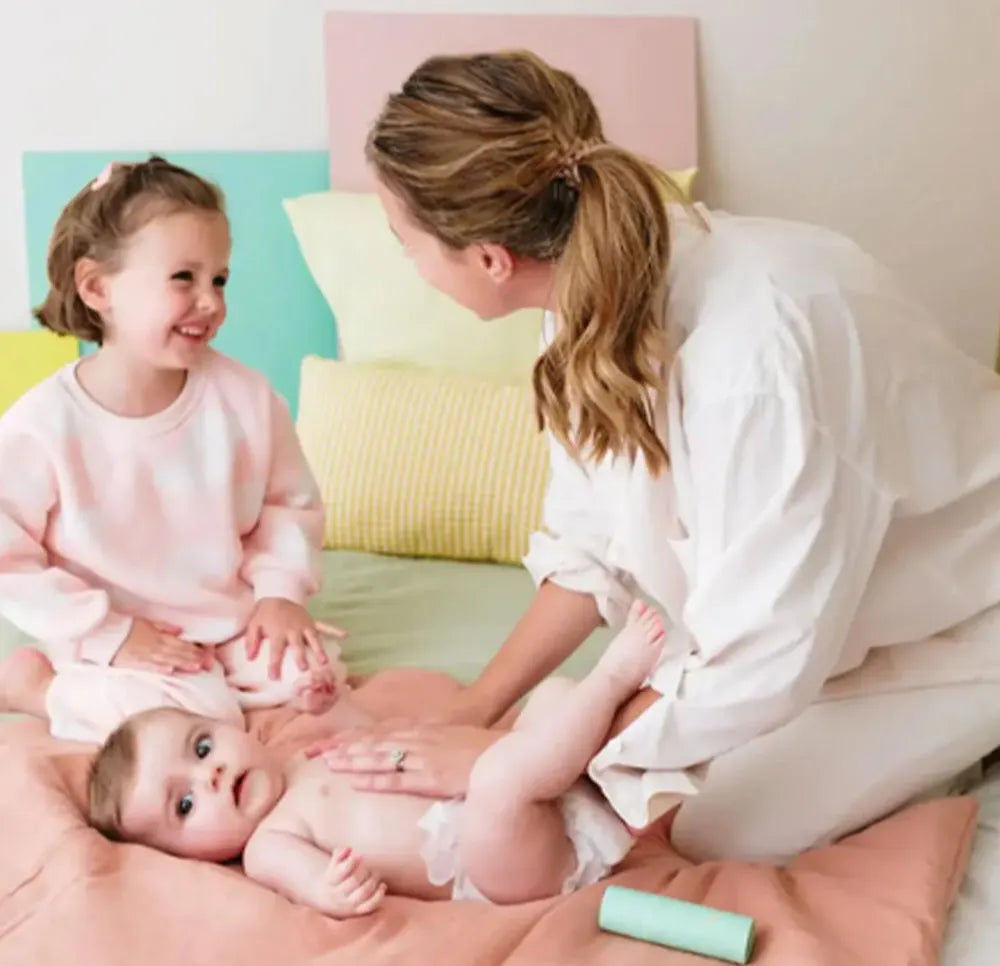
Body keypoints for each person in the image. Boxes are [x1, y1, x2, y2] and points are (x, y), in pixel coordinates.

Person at [310, 50, 1000, 864]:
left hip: (960, 617)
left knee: (702, 830)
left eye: (406, 242)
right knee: (628, 781)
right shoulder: (582, 299)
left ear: (492, 258)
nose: (408, 262)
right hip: (810, 605)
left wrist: (515, 765)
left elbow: (763, 655)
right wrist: (479, 708)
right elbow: (590, 545)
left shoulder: (753, 365)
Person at [0, 157, 345, 743]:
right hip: (109, 641)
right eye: (184, 277)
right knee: (186, 716)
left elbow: (288, 506)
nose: (210, 301)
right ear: (97, 287)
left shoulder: (246, 398)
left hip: (224, 624)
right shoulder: (43, 426)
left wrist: (280, 595)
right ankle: (35, 688)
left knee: (312, 671)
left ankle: (239, 694)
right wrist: (108, 633)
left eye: (220, 279)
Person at [86, 602, 666, 912]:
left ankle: (600, 763)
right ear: (188, 856)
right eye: (184, 804)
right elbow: (311, 885)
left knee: (550, 698)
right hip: (492, 865)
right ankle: (613, 678)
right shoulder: (268, 845)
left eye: (203, 746)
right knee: (501, 778)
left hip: (511, 804)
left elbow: (374, 738)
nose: (210, 775)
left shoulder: (294, 751)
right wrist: (330, 888)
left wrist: (331, 703)